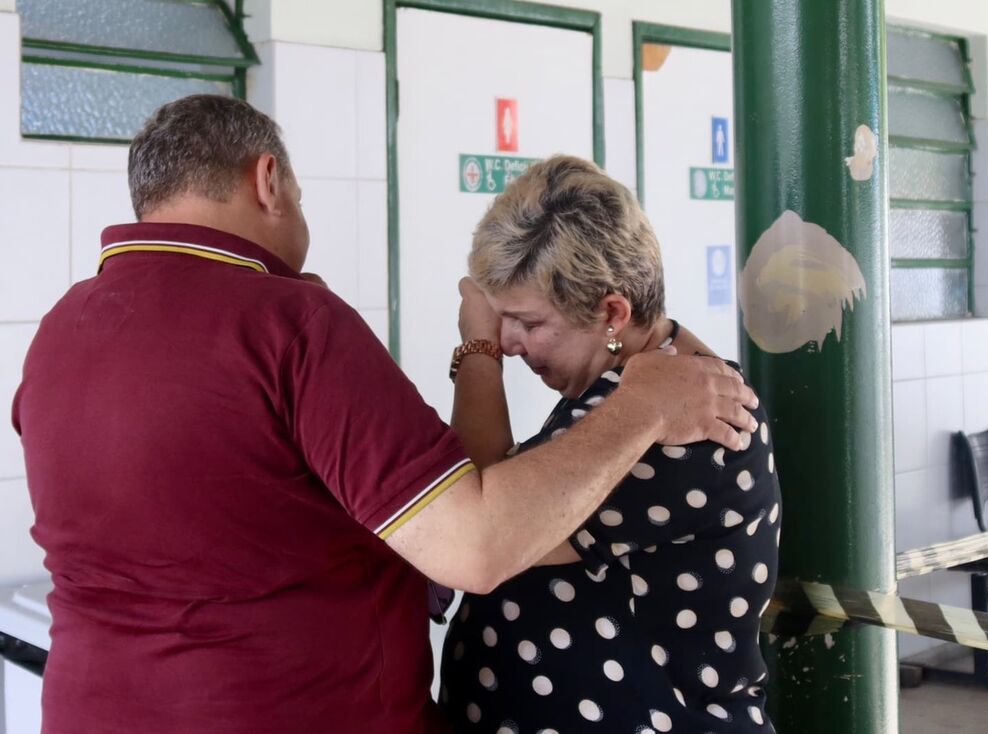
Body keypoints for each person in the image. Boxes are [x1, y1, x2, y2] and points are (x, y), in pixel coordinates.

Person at [10, 95, 759, 734]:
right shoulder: (290, 324)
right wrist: (644, 406)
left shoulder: (58, 332)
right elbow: (477, 540)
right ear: (268, 181)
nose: (512, 342)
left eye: (526, 323)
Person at [440, 156, 781, 733]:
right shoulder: (627, 391)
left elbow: (479, 532)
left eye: (526, 322)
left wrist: (478, 350)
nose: (511, 342)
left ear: (612, 313)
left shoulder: (686, 420)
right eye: (502, 323)